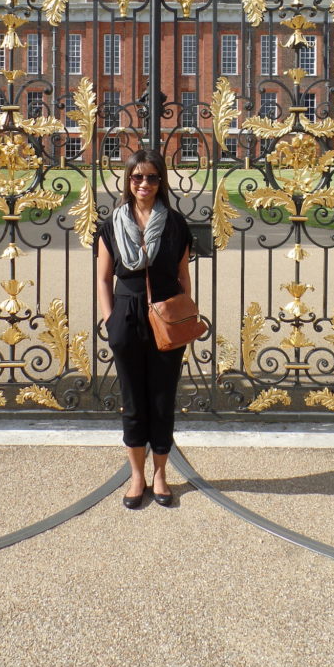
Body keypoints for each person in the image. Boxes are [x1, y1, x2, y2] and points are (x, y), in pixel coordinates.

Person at [96, 149, 193, 509]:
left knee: (162, 397)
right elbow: (104, 279)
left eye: (152, 177)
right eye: (137, 177)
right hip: (127, 315)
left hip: (166, 316)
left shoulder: (175, 224)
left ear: (161, 181)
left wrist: (182, 315)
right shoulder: (111, 224)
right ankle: (137, 475)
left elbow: (183, 276)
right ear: (128, 181)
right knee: (133, 399)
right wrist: (110, 320)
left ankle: (160, 474)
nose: (144, 184)